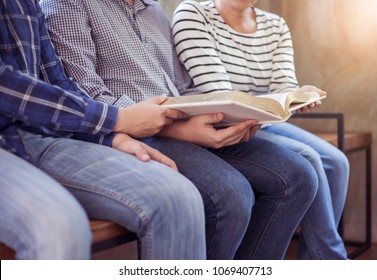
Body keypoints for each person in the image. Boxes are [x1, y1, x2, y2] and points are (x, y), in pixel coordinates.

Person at [42, 0, 319, 259]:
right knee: (231, 194)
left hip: (182, 122)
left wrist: (226, 116)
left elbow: (183, 86)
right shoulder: (69, 4)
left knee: (299, 176)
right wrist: (177, 127)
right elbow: (84, 96)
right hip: (131, 132)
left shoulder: (154, 9)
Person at [0, 0, 207, 260]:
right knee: (59, 226)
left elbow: (56, 79)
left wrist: (111, 136)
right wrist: (116, 119)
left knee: (179, 198)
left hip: (43, 134)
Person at [171, 0, 350, 259]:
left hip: (263, 121)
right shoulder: (193, 13)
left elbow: (283, 86)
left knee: (336, 162)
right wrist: (275, 102)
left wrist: (297, 96)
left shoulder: (275, 25)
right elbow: (221, 96)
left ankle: (318, 262)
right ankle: (331, 259)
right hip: (224, 122)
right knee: (308, 158)